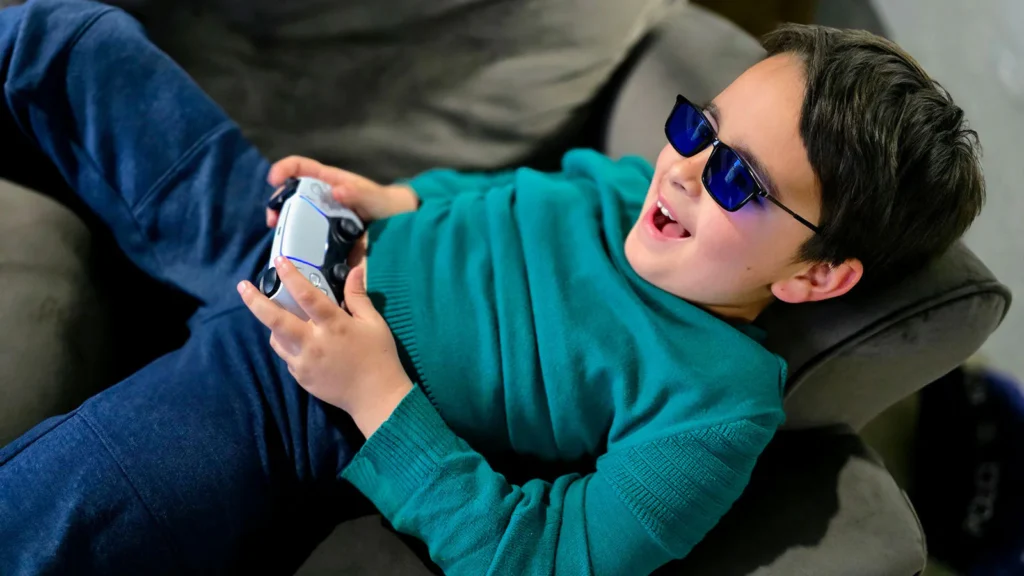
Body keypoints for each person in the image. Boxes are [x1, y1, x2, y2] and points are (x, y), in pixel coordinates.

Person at [0, 0, 985, 574]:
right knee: (70, 38)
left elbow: (550, 560)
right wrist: (391, 199)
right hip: (284, 233)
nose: (682, 169)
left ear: (816, 274)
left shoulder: (715, 407)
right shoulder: (626, 189)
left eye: (736, 179)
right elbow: (500, 200)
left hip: (294, 400)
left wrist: (374, 397)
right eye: (698, 128)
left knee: (49, 511)